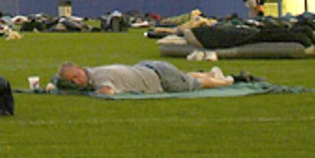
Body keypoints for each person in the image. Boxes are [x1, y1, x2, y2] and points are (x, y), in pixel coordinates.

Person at [48, 60, 236, 96]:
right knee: (185, 77)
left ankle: (226, 81)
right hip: (150, 67)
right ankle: (209, 73)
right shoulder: (91, 71)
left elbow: (107, 92)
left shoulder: (101, 77)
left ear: (80, 69)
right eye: (72, 81)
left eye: (75, 77)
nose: (76, 82)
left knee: (196, 85)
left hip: (162, 78)